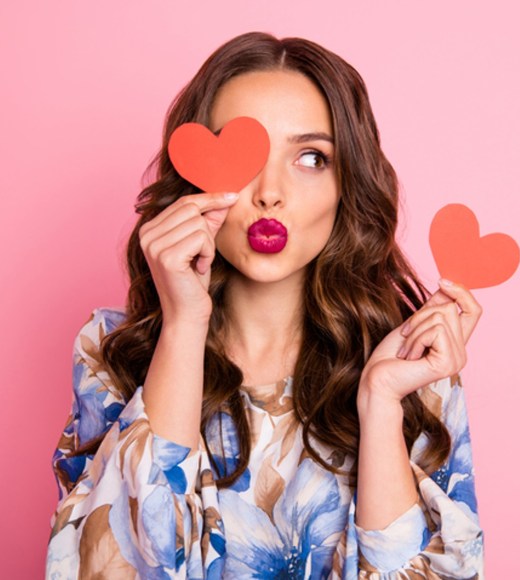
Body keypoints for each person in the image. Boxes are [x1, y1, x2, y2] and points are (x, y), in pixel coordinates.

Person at [46, 32, 484, 579]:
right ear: (194, 175)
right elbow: (111, 570)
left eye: (310, 157)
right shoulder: (111, 357)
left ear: (347, 183)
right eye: (244, 154)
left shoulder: (415, 368)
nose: (270, 192)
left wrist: (379, 403)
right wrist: (184, 325)